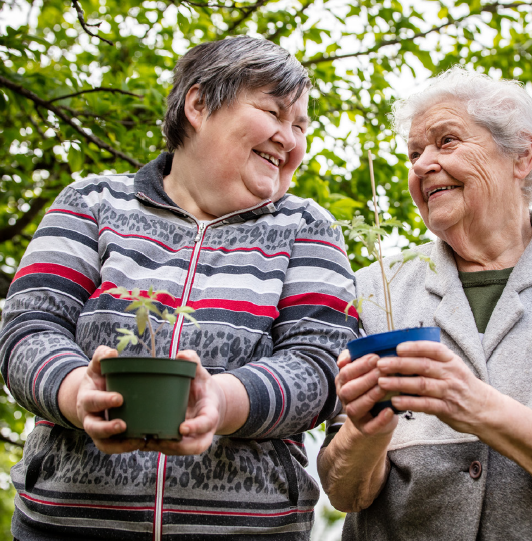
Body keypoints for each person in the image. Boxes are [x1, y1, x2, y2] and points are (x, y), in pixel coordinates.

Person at [0, 36, 359, 540]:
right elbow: (28, 329)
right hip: (68, 527)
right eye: (274, 113)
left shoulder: (307, 227)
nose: (289, 137)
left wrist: (221, 401)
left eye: (300, 126)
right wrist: (78, 392)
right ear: (198, 104)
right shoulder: (90, 203)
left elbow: (321, 365)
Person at [317, 67, 532, 540]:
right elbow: (345, 493)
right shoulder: (371, 290)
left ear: (522, 156)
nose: (420, 165)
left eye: (446, 142)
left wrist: (473, 404)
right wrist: (367, 431)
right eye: (414, 153)